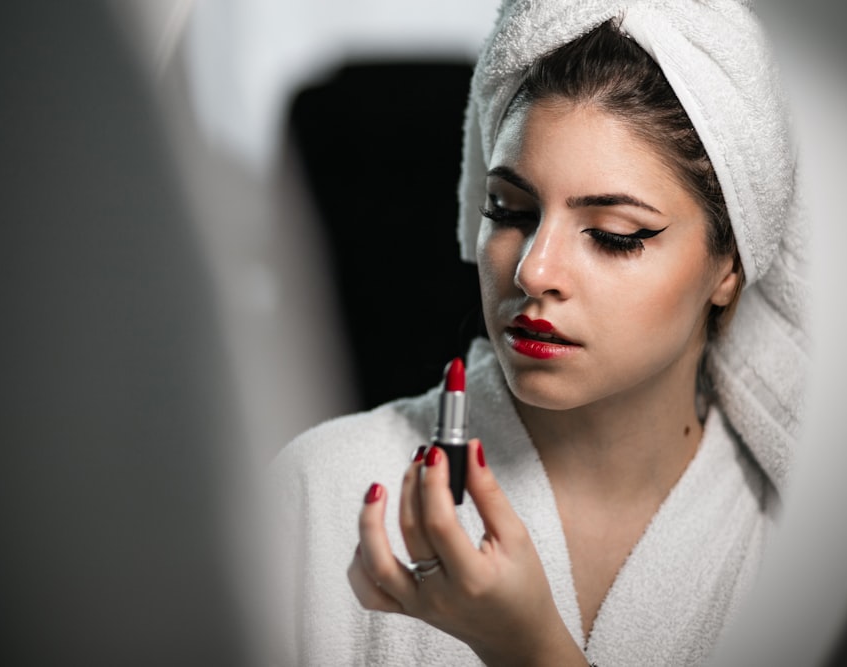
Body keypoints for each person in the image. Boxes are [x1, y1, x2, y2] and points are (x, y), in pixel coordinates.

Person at [260, 1, 808, 665]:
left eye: (614, 235)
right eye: (508, 210)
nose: (534, 269)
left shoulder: (806, 545)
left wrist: (530, 650)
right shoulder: (322, 494)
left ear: (730, 265)